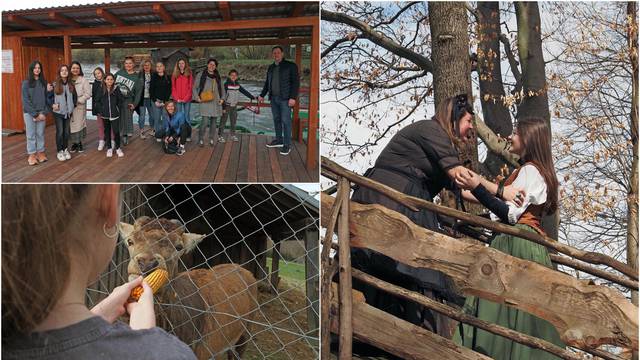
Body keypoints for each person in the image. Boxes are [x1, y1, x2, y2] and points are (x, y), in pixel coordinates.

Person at [348, 94, 526, 349]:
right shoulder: (431, 130)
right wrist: (502, 195)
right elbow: (463, 176)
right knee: (410, 268)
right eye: (467, 122)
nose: (470, 130)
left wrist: (498, 199)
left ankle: (396, 338)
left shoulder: (440, 145)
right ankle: (383, 336)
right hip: (389, 199)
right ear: (453, 117)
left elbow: (462, 187)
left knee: (412, 269)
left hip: (403, 203)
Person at [1, 184, 197, 360]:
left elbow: (59, 345)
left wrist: (97, 315)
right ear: (107, 198)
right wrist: (146, 344)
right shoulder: (171, 354)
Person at [453, 117, 565, 360]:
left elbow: (510, 214)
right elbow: (500, 200)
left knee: (515, 314)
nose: (510, 137)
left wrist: (478, 186)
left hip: (519, 244)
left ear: (528, 139)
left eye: (515, 133)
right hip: (512, 241)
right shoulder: (520, 172)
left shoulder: (531, 171)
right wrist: (467, 185)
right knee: (503, 310)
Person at [258, 45, 300, 156]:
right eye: (274, 53)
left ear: (282, 54)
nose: (276, 54)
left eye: (278, 52)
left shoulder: (291, 66)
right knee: (276, 120)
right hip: (273, 98)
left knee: (286, 122)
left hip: (285, 99)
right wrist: (262, 95)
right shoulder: (271, 67)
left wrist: (293, 97)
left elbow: (296, 83)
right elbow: (268, 83)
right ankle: (279, 140)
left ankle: (287, 145)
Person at [21, 60, 51, 166]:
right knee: (31, 135)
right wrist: (35, 115)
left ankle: (40, 153)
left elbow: (47, 99)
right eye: (35, 68)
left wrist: (42, 113)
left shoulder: (44, 82)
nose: (37, 70)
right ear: (31, 69)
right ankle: (32, 155)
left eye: (39, 68)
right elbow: (26, 101)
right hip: (29, 113)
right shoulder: (26, 83)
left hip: (42, 112)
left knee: (40, 133)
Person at [193, 58, 225, 147]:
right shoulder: (201, 75)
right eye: (210, 64)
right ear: (207, 65)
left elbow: (222, 89)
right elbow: (194, 88)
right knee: (204, 122)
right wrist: (197, 98)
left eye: (214, 65)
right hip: (205, 101)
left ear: (215, 67)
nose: (212, 66)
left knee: (214, 122)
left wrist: (222, 99)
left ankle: (211, 138)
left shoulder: (218, 76)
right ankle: (200, 138)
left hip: (216, 102)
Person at [47, 64, 76, 162]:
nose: (64, 72)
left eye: (66, 70)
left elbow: (74, 97)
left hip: (68, 112)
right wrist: (52, 105)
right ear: (59, 73)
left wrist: (72, 106)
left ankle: (65, 149)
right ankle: (59, 151)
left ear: (68, 72)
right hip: (59, 112)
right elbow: (48, 97)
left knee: (66, 132)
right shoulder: (55, 84)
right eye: (62, 70)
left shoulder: (71, 84)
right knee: (60, 132)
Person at [220, 69, 255, 143]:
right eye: (232, 75)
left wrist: (252, 97)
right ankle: (220, 136)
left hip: (234, 106)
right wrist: (223, 107)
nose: (233, 76)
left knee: (233, 121)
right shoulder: (226, 84)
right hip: (227, 105)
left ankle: (232, 135)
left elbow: (244, 91)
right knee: (223, 121)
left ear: (237, 77)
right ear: (229, 76)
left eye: (235, 75)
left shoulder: (237, 84)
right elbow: (222, 96)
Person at [94, 74, 125, 158]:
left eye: (111, 79)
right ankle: (109, 148)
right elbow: (97, 101)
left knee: (116, 132)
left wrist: (117, 108)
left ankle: (118, 148)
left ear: (114, 80)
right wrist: (101, 110)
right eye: (108, 79)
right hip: (105, 115)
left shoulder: (116, 89)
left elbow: (121, 100)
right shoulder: (101, 89)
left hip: (115, 114)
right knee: (107, 131)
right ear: (104, 80)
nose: (110, 81)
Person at [114, 56, 142, 146]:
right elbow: (110, 81)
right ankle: (117, 134)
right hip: (117, 99)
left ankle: (125, 135)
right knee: (117, 117)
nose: (128, 65)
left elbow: (138, 93)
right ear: (124, 64)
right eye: (126, 63)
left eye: (130, 63)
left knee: (127, 118)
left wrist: (134, 104)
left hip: (128, 100)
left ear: (133, 64)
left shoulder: (136, 77)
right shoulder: (119, 73)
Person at [69, 61, 91, 153]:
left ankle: (79, 143)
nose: (75, 70)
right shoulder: (67, 80)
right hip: (68, 107)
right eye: (73, 68)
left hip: (79, 106)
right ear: (70, 69)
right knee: (70, 125)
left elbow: (88, 94)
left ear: (80, 70)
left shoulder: (83, 80)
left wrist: (78, 100)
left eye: (77, 68)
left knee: (79, 125)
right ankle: (73, 143)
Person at [171, 58, 193, 140]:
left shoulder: (189, 74)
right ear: (177, 64)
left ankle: (188, 134)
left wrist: (186, 98)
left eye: (182, 63)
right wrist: (177, 99)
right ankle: (179, 133)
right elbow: (173, 88)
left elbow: (190, 87)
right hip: (178, 100)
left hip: (187, 99)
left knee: (187, 116)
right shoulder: (175, 75)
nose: (181, 65)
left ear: (185, 64)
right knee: (178, 116)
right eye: (179, 63)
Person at [91, 67, 113, 151]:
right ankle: (101, 140)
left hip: (109, 109)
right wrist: (95, 109)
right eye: (95, 74)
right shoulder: (95, 84)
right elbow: (94, 99)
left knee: (109, 125)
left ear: (102, 73)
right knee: (101, 125)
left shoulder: (108, 82)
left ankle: (111, 140)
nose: (97, 75)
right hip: (99, 109)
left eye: (99, 73)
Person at [150, 61, 172, 143]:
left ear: (164, 67)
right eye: (157, 66)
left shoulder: (168, 77)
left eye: (160, 66)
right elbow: (151, 90)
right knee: (157, 118)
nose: (159, 67)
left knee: (165, 118)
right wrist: (155, 101)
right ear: (156, 68)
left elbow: (169, 90)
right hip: (155, 101)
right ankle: (158, 135)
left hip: (165, 101)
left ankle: (165, 133)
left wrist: (165, 101)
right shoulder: (154, 77)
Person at [136, 60, 154, 139]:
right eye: (145, 65)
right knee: (142, 116)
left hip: (150, 98)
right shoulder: (139, 75)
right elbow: (135, 87)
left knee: (152, 115)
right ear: (143, 67)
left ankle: (152, 129)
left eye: (148, 65)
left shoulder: (154, 75)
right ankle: (142, 131)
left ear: (151, 66)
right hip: (142, 98)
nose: (146, 66)